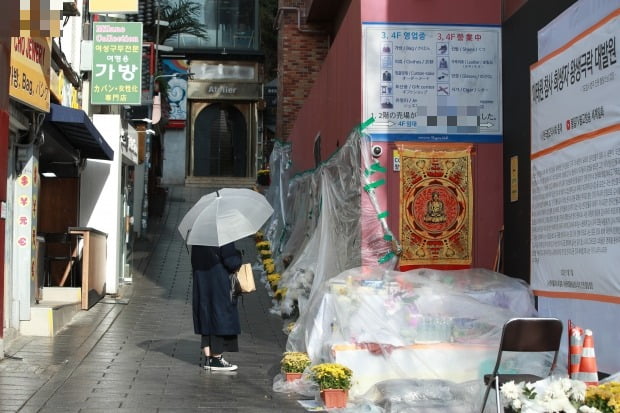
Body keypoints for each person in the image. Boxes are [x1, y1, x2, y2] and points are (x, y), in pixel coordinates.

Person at [191, 242, 243, 371]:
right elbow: (232, 262)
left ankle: (209, 358)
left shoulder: (199, 237)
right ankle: (216, 358)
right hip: (219, 282)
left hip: (202, 280)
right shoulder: (222, 236)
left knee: (206, 315)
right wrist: (238, 255)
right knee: (219, 316)